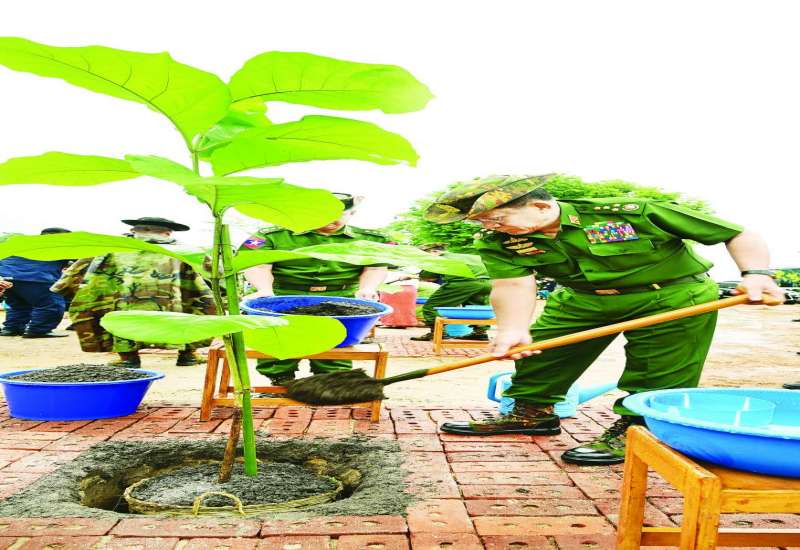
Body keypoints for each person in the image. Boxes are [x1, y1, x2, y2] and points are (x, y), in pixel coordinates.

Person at [425, 174, 784, 465]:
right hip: (582, 297)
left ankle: (637, 427)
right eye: (482, 221)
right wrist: (513, 328)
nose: (492, 226)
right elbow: (512, 283)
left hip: (670, 294)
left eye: (497, 218)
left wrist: (756, 273)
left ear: (540, 206)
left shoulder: (629, 212)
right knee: (542, 351)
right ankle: (531, 413)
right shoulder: (498, 241)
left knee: (658, 367)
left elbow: (736, 234)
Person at [241, 193, 388, 385]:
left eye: (338, 215)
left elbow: (375, 267)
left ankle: (329, 382)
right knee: (280, 342)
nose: (330, 220)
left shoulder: (370, 240)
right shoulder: (273, 236)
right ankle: (280, 380)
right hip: (283, 297)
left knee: (335, 344)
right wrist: (263, 290)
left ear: (352, 213)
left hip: (340, 298)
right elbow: (257, 265)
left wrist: (367, 288)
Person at [52, 218, 216, 367]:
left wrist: (65, 287)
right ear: (167, 233)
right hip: (173, 301)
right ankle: (188, 355)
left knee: (124, 323)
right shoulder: (184, 250)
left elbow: (77, 270)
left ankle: (128, 358)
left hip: (125, 300)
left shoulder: (113, 249)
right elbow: (216, 272)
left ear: (134, 231)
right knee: (192, 314)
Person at [410, 243, 493, 341]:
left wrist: (419, 273)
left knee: (431, 307)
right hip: (487, 283)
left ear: (434, 251)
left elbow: (427, 276)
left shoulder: (439, 258)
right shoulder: (467, 256)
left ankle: (438, 333)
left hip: (463, 283)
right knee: (476, 308)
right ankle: (480, 332)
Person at [0, 228, 71, 338]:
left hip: (7, 278)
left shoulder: (24, 243)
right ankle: (38, 330)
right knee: (51, 304)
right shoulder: (60, 246)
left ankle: (12, 328)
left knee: (19, 305)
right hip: (37, 278)